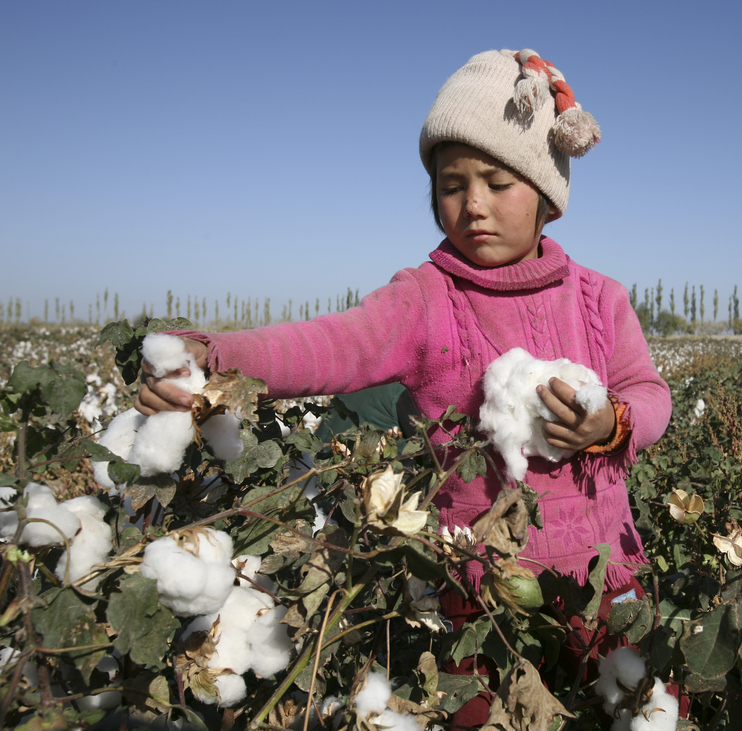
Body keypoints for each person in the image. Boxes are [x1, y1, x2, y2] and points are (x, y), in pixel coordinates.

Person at [136, 48, 672, 725]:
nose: (472, 203)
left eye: (497, 181)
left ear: (546, 192)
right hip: (474, 596)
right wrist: (217, 358)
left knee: (627, 710)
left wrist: (611, 422)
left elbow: (651, 396)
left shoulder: (601, 300)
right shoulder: (427, 300)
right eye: (451, 185)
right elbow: (331, 344)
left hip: (604, 584)